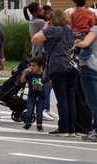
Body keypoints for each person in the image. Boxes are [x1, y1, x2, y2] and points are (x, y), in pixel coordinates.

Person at [31, 8, 78, 137]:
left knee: (61, 97)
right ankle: (71, 129)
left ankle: (63, 128)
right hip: (72, 65)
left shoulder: (52, 30)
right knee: (70, 97)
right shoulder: (70, 30)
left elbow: (34, 39)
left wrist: (44, 27)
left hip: (58, 66)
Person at [24, 2, 57, 121]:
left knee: (43, 83)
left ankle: (46, 108)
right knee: (43, 84)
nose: (43, 12)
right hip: (40, 56)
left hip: (39, 55)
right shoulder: (40, 23)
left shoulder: (37, 21)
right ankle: (41, 109)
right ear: (34, 13)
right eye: (41, 11)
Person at [73, 20, 97, 141]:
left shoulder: (94, 29)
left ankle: (96, 132)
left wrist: (78, 43)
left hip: (90, 66)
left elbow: (86, 44)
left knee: (92, 101)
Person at [20, 56, 46, 132]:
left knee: (39, 111)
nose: (31, 67)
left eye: (34, 66)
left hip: (41, 96)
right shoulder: (30, 74)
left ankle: (39, 125)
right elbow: (22, 81)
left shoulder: (43, 75)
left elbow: (48, 83)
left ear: (40, 67)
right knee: (30, 110)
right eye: (31, 65)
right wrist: (25, 73)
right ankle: (28, 123)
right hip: (31, 95)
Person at [69, 0, 94, 70]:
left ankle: (73, 51)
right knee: (89, 49)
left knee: (79, 48)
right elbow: (92, 24)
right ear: (85, 2)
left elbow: (72, 26)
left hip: (75, 34)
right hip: (84, 33)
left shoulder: (73, 13)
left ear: (75, 3)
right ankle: (76, 60)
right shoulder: (89, 12)